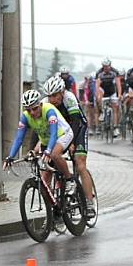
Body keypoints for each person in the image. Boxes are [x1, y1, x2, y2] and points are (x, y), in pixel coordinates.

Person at [42, 76, 96, 217]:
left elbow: (76, 122)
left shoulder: (69, 98)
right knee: (49, 166)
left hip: (77, 129)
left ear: (62, 91)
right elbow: (40, 129)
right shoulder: (45, 103)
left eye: (55, 95)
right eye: (49, 96)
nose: (52, 100)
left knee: (79, 164)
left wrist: (72, 143)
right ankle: (54, 207)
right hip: (60, 132)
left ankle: (89, 203)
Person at [3, 89, 75, 195]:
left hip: (63, 135)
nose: (32, 113)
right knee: (44, 183)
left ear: (40, 105)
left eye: (35, 109)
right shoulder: (25, 117)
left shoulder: (49, 110)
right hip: (46, 140)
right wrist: (10, 156)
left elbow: (54, 133)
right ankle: (54, 208)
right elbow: (19, 138)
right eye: (28, 110)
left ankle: (70, 180)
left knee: (54, 154)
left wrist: (48, 151)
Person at [95, 58, 123, 138]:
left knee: (115, 107)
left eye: (107, 66)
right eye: (104, 66)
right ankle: (102, 112)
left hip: (112, 91)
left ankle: (115, 127)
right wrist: (97, 96)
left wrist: (119, 94)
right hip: (103, 90)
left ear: (110, 66)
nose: (106, 68)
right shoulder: (99, 73)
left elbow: (118, 84)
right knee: (98, 96)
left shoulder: (114, 72)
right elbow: (97, 86)